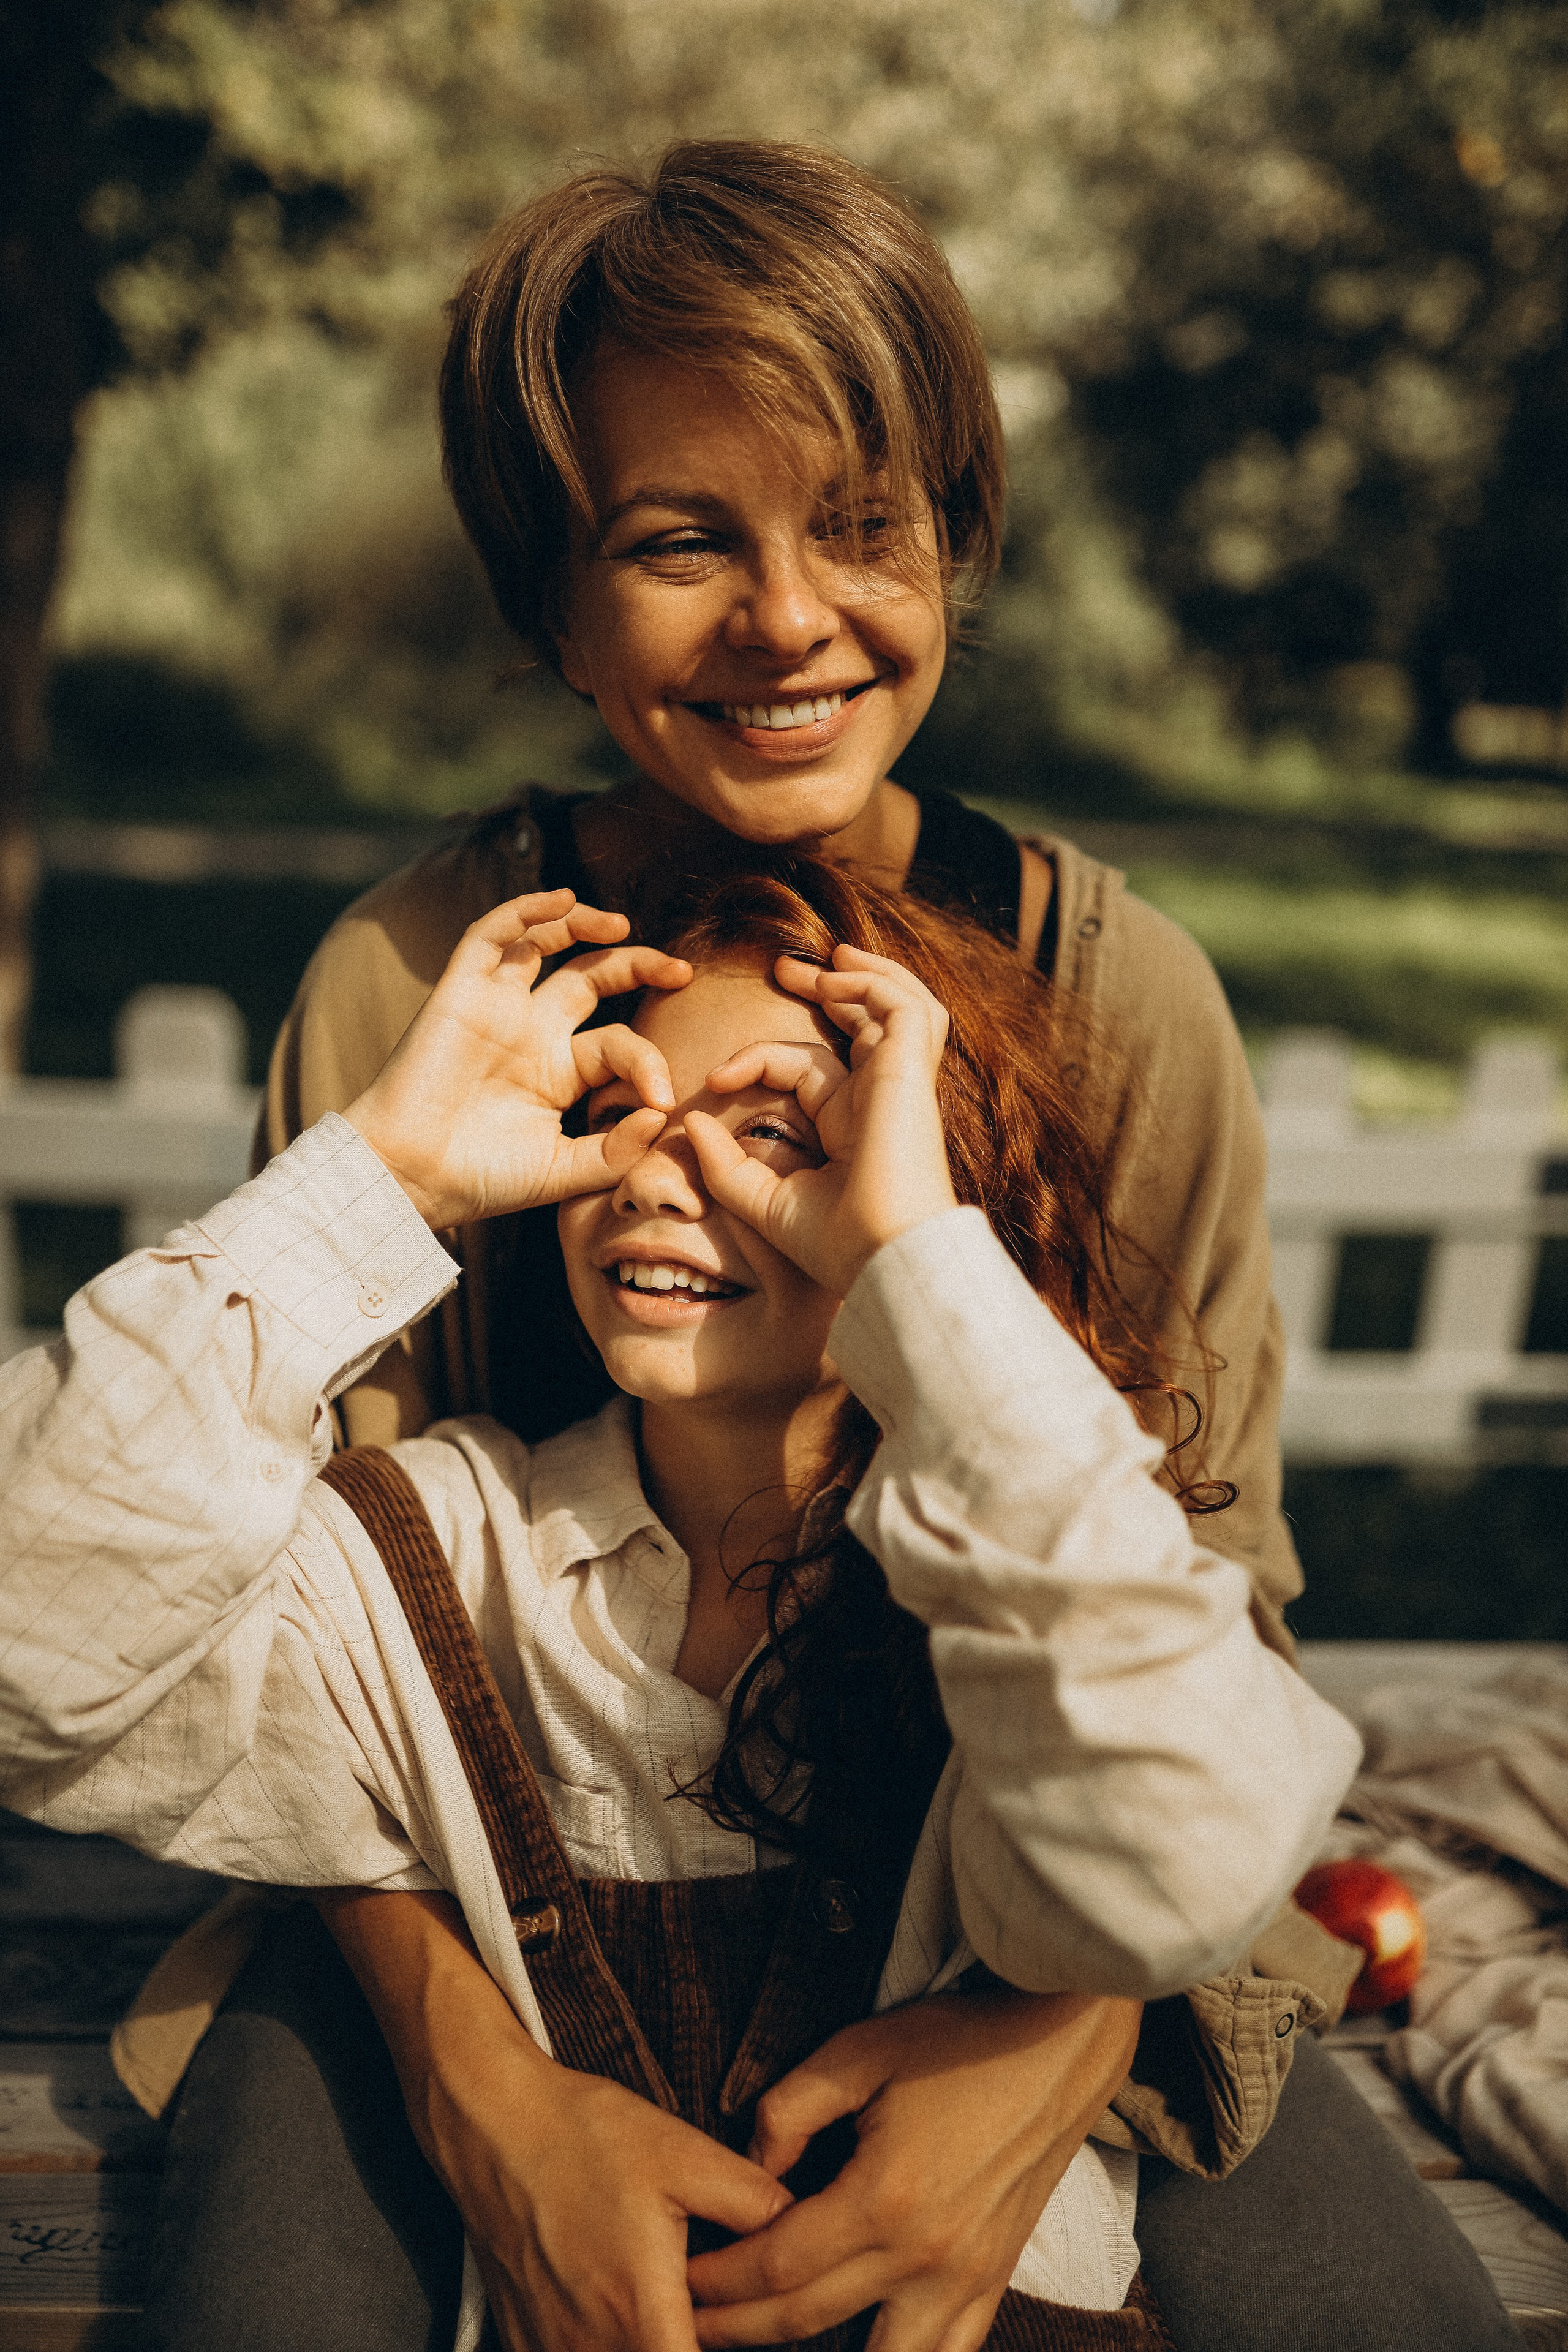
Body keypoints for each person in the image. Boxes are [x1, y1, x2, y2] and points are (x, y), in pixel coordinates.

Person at [56, 137, 1521, 2352]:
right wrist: (491, 2108)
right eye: (678, 542)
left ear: (954, 534)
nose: (792, 621)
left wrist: (1037, 2070)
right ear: (551, 601)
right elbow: (304, 1629)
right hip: (460, 1898)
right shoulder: (415, 987)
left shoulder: (1117, 1000)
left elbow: (1220, 1621)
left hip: (1010, 1898)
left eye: (863, 521)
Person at [1, 862, 1368, 2352]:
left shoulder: (1025, 1594)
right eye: (621, 1124)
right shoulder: (436, 1554)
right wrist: (375, 1186)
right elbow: (32, 1646)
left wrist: (913, 1278)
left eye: (774, 1136)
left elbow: (1184, 1859)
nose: (658, 1174)